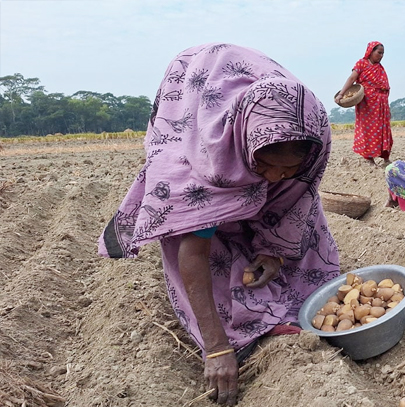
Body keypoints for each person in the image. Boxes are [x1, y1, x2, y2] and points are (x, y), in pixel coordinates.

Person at [98, 43, 339, 406]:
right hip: (193, 109)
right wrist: (216, 349)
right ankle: (244, 327)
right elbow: (193, 251)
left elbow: (295, 196)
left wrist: (273, 251)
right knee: (209, 240)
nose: (275, 176)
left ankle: (289, 298)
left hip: (259, 126)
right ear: (244, 144)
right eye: (265, 165)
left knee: (298, 237)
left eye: (288, 169)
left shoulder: (311, 131)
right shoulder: (208, 158)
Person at [335, 41, 393, 167]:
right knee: (368, 131)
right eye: (379, 52)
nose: (381, 56)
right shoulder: (361, 63)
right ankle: (369, 159)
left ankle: (386, 158)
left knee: (384, 129)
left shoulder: (380, 67)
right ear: (371, 51)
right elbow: (351, 79)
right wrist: (341, 94)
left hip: (381, 103)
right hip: (367, 103)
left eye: (383, 53)